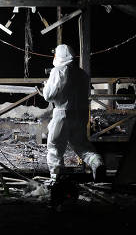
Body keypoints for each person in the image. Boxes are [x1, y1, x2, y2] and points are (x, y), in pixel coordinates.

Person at [42, 44, 105, 182]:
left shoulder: (58, 71)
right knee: (81, 145)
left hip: (62, 114)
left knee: (55, 148)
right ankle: (97, 163)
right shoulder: (82, 74)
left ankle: (57, 179)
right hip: (81, 114)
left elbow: (49, 96)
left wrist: (46, 85)